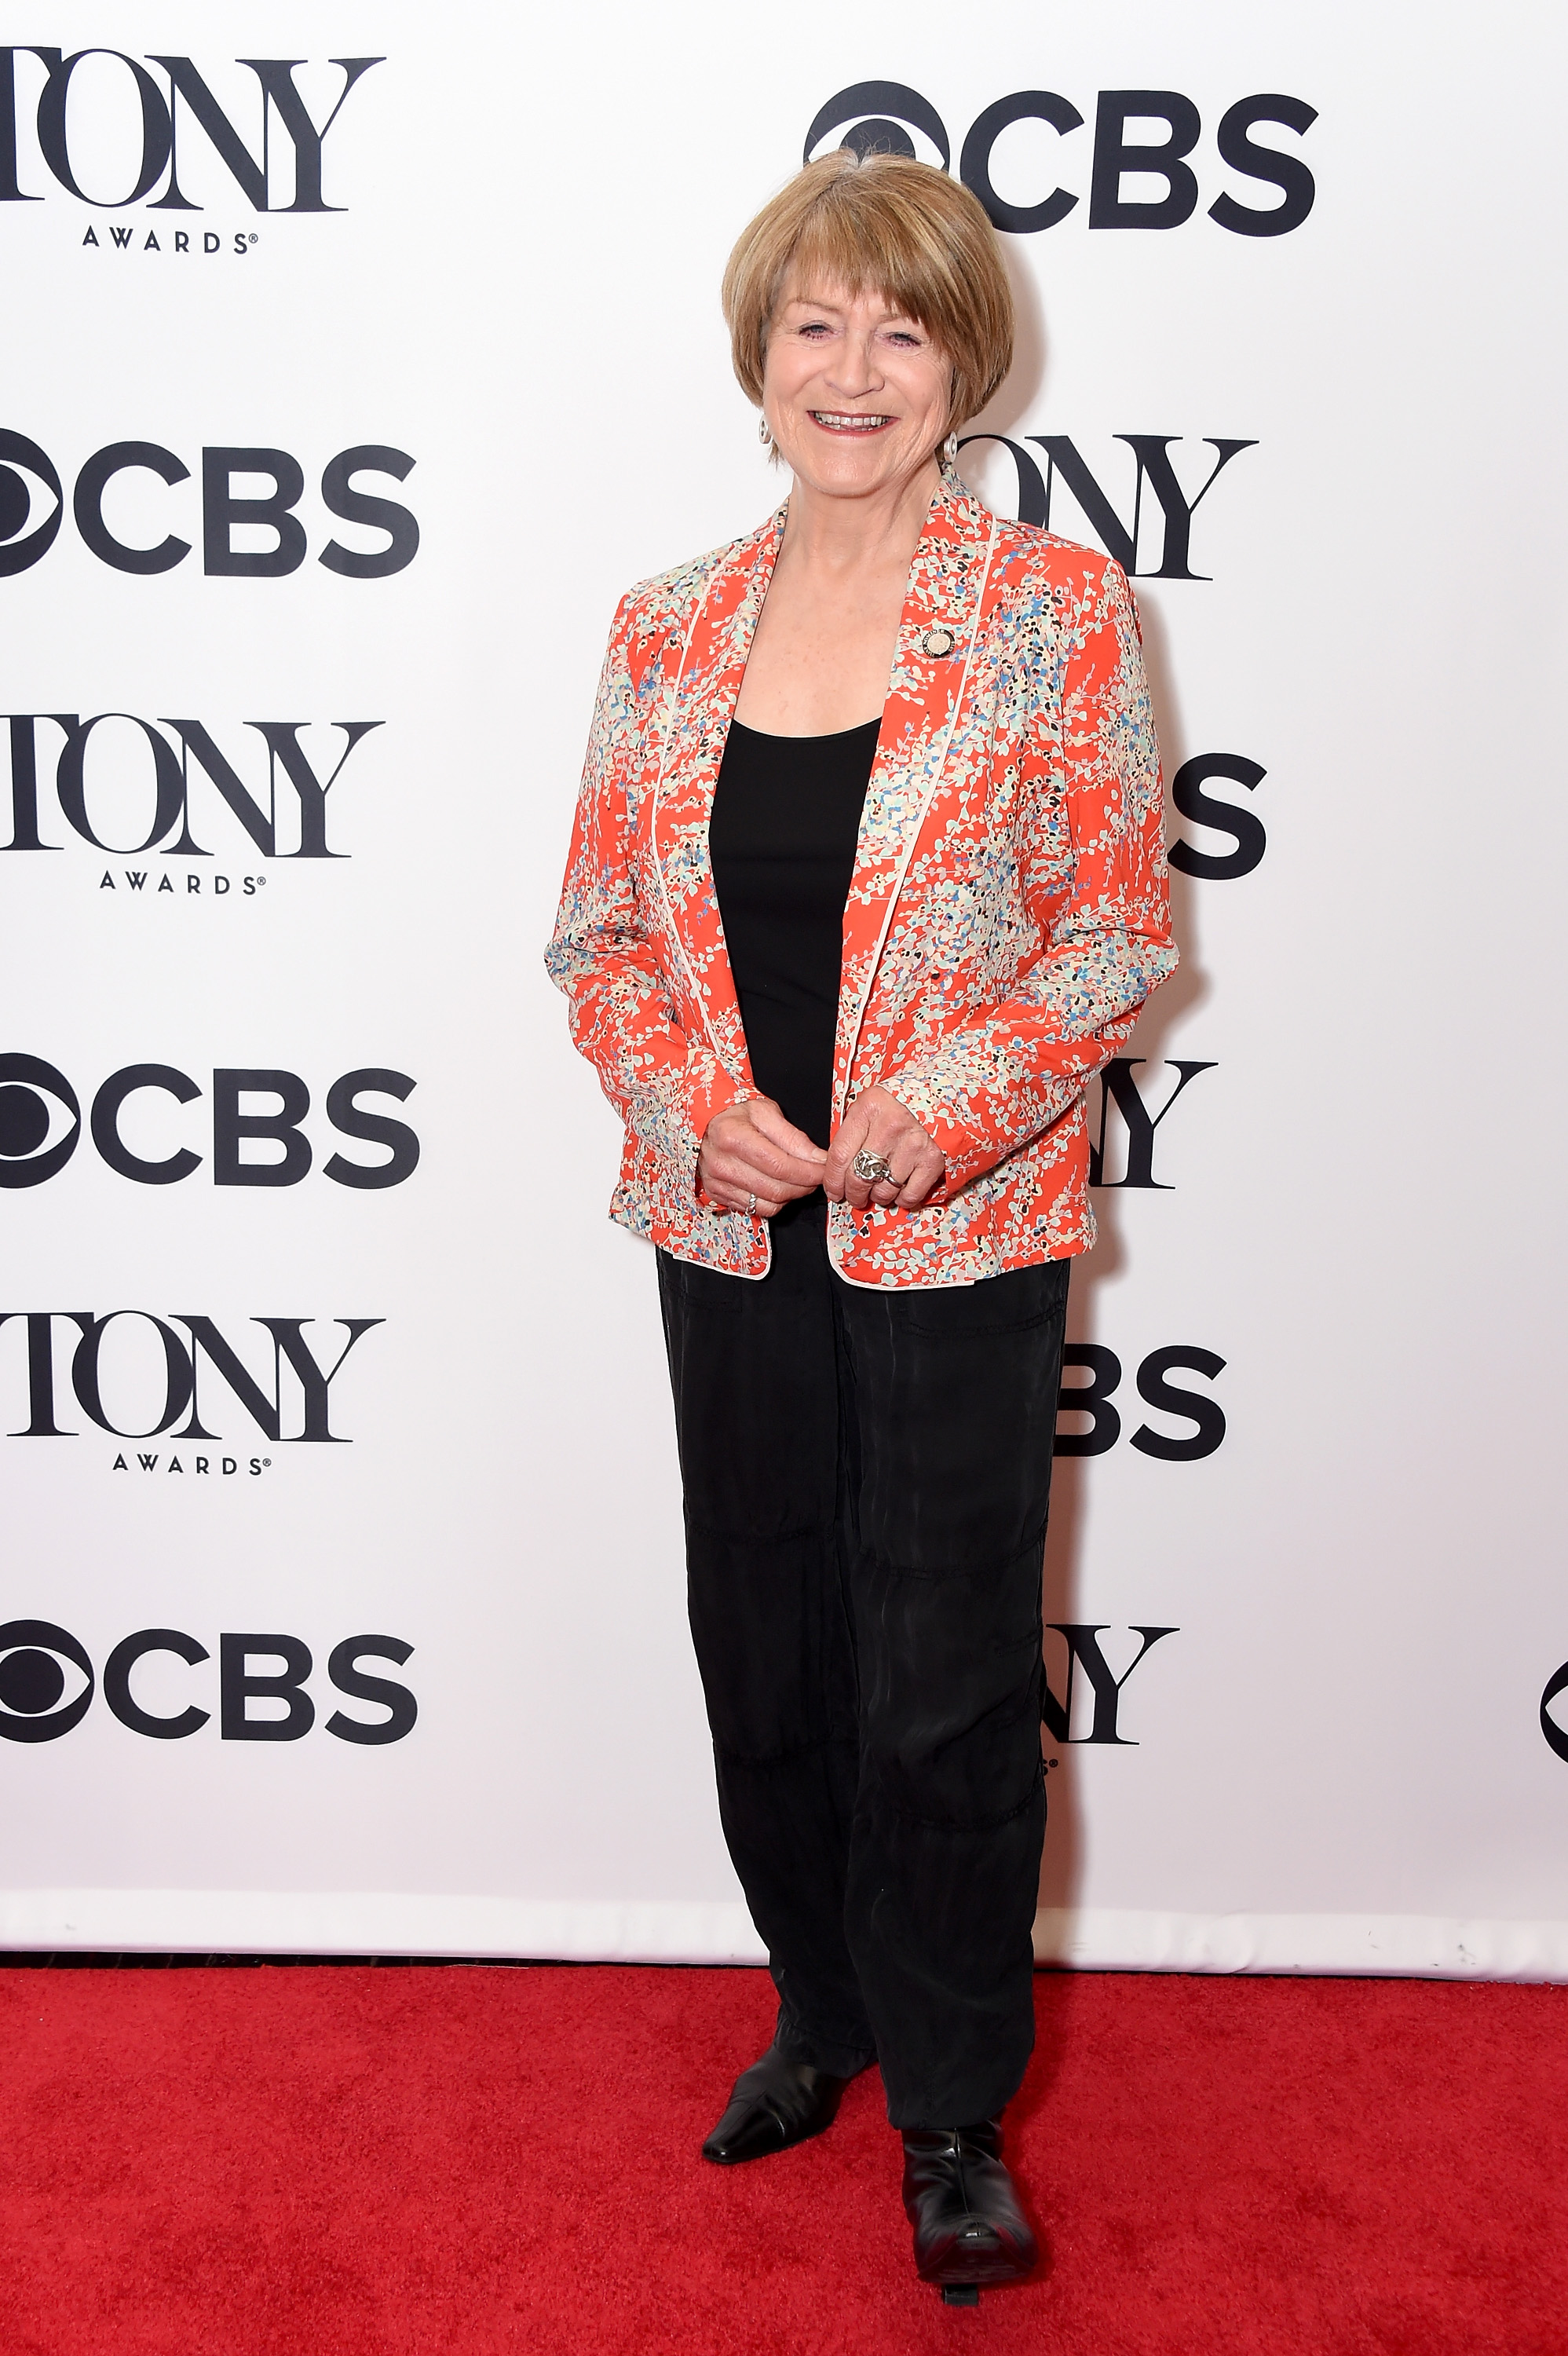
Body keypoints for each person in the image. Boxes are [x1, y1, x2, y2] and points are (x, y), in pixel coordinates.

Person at [546, 147, 1176, 2300]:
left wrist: (955, 1103)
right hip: (723, 1232)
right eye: (815, 323)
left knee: (937, 1684)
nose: (854, 367)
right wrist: (681, 1097)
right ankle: (817, 2009)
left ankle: (949, 2107)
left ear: (963, 365)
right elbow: (600, 931)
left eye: (902, 327)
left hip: (957, 1236)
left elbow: (1112, 937)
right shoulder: (660, 628)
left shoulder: (1056, 615)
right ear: (757, 354)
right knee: (772, 1647)